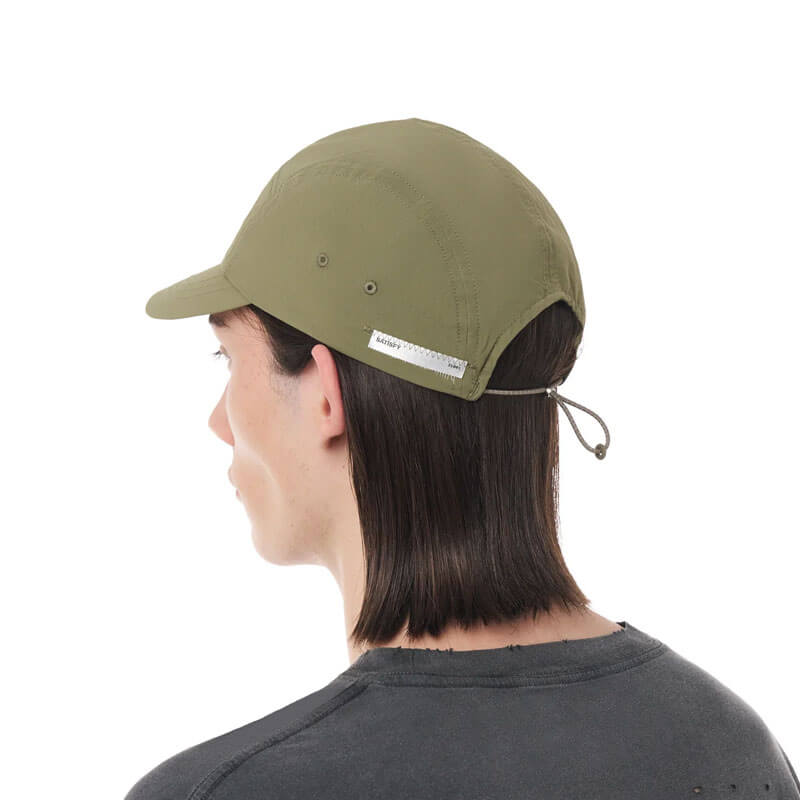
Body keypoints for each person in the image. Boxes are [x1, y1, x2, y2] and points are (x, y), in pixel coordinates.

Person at [126, 117, 799, 799]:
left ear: (327, 393)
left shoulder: (227, 790)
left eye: (226, 357)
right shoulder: (735, 750)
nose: (218, 422)